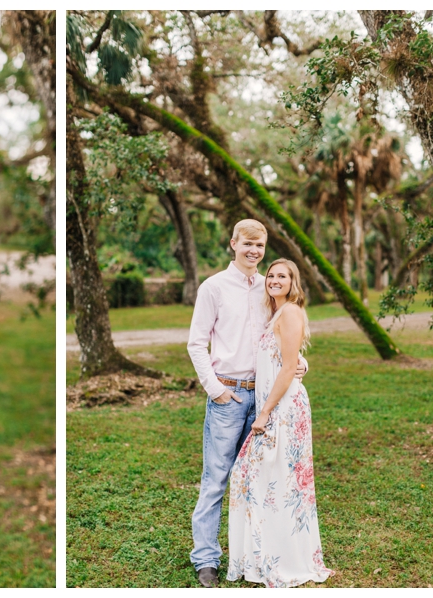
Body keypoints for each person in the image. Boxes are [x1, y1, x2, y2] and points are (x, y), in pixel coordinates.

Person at [187, 219, 306, 588]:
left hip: (265, 397)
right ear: (233, 244)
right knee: (216, 479)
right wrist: (216, 390)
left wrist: (298, 361)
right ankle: (206, 558)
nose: (253, 251)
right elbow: (196, 343)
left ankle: (253, 554)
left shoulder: (268, 289)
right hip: (228, 396)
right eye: (247, 244)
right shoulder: (214, 287)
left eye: (260, 245)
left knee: (257, 478)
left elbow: (280, 337)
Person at [226, 258, 334, 587]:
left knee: (272, 483)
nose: (274, 280)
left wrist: (264, 413)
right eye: (270, 275)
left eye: (282, 276)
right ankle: (265, 555)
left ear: (292, 282)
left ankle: (281, 559)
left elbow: (287, 369)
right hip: (277, 405)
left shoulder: (289, 311)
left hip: (283, 410)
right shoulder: (276, 312)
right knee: (269, 484)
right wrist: (302, 363)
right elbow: (290, 358)